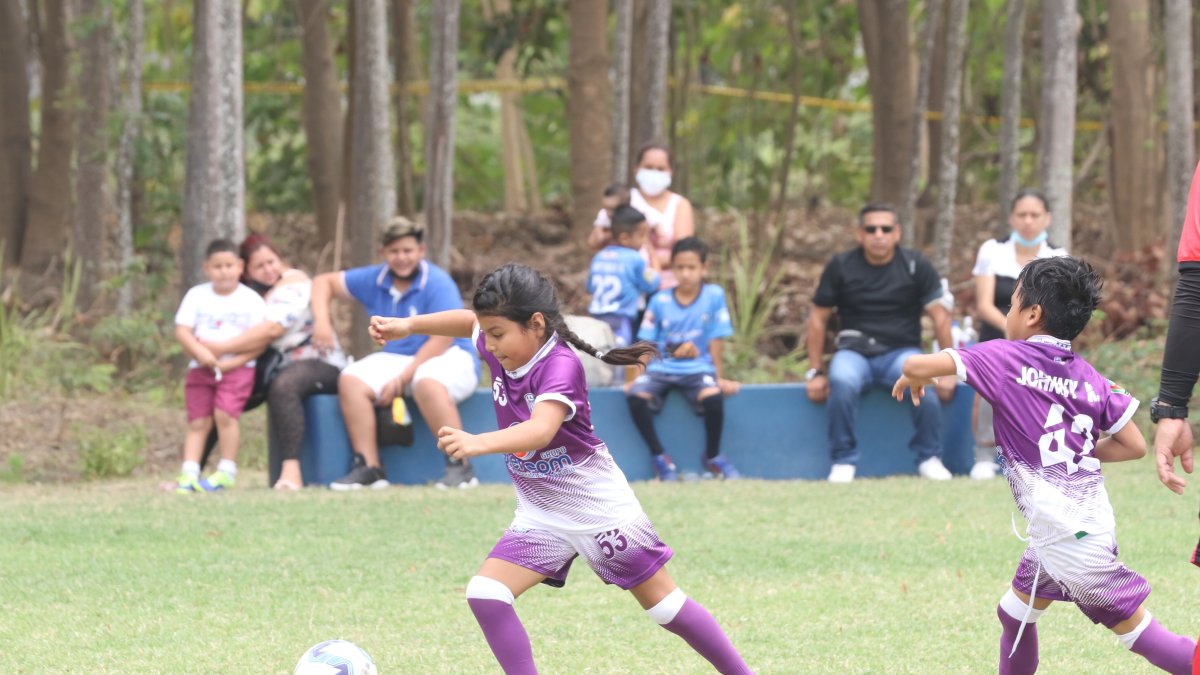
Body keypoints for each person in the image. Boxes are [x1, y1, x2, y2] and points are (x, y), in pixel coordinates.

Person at [367, 263, 752, 674]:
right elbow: (467, 322)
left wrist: (478, 442)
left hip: (597, 508)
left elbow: (541, 430)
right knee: (487, 593)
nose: (489, 344)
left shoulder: (559, 365)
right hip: (542, 512)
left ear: (535, 324)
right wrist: (408, 326)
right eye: (488, 333)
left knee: (665, 607)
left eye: (497, 334)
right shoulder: (501, 340)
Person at [893, 256, 1196, 675]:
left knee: (1140, 634)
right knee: (1014, 613)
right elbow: (1134, 445)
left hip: (1070, 538)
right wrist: (1078, 452)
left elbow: (914, 365)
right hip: (1070, 526)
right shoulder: (1089, 377)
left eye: (1012, 303)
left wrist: (915, 375)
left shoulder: (1004, 358)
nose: (1007, 313)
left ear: (1033, 314)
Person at [310, 217, 480, 491]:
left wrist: (402, 379)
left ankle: (460, 467)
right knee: (351, 379)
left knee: (426, 381)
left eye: (408, 250)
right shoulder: (374, 278)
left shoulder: (437, 282)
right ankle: (370, 467)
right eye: (394, 251)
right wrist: (322, 322)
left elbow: (443, 339)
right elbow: (322, 282)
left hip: (451, 354)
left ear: (421, 250)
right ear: (383, 253)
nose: (402, 257)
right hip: (400, 357)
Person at [805, 203, 953, 483]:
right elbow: (817, 318)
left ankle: (930, 458)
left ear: (897, 233)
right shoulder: (841, 266)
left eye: (885, 229)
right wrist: (814, 372)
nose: (878, 235)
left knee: (924, 382)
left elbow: (940, 316)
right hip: (854, 352)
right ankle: (843, 461)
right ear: (860, 234)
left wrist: (949, 370)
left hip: (901, 352)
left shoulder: (915, 265)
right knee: (842, 379)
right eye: (871, 229)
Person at [198, 234, 348, 490]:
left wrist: (220, 348)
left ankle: (291, 472)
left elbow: (272, 330)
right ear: (246, 270)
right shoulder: (244, 295)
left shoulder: (293, 283)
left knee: (284, 385)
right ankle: (192, 470)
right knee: (220, 394)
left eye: (272, 261)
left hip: (321, 363)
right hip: (270, 366)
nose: (269, 270)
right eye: (259, 266)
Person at [969, 189, 1067, 480]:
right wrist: (1012, 332)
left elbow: (1058, 310)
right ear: (1011, 218)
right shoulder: (992, 250)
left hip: (1040, 343)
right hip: (996, 338)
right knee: (991, 384)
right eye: (1022, 214)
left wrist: (1030, 337)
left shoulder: (1058, 256)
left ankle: (1033, 456)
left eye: (1034, 215)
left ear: (1047, 218)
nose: (1028, 221)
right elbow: (984, 305)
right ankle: (984, 456)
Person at [626, 237, 741, 482]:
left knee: (713, 399)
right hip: (661, 368)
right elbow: (647, 342)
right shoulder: (659, 300)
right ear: (673, 269)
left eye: (691, 267)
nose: (685, 273)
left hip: (698, 369)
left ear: (704, 268)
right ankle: (660, 457)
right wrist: (637, 377)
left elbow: (716, 340)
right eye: (680, 267)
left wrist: (719, 377)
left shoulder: (714, 295)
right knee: (636, 398)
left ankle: (713, 455)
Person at [172, 239, 266, 493]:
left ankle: (226, 471)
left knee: (225, 415)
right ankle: (189, 472)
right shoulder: (197, 296)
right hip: (200, 368)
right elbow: (183, 331)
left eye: (229, 265)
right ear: (206, 268)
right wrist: (200, 353)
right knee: (198, 420)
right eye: (217, 266)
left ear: (240, 267)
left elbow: (260, 341)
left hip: (238, 369)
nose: (224, 272)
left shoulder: (250, 300)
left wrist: (232, 362)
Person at [587, 203, 660, 347]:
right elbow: (650, 284)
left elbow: (590, 287)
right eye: (641, 235)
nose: (644, 241)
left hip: (596, 316)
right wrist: (655, 264)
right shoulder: (634, 258)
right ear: (624, 238)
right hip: (621, 318)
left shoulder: (598, 257)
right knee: (621, 354)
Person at [629, 142, 696, 289]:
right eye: (648, 167)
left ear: (671, 171)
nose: (654, 173)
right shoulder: (626, 200)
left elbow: (683, 251)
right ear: (636, 168)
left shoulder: (680, 204)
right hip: (628, 282)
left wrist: (648, 262)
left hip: (669, 287)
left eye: (660, 169)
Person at [586, 183, 633, 252]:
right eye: (606, 208)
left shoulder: (635, 218)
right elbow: (592, 242)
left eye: (612, 209)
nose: (609, 213)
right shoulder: (604, 215)